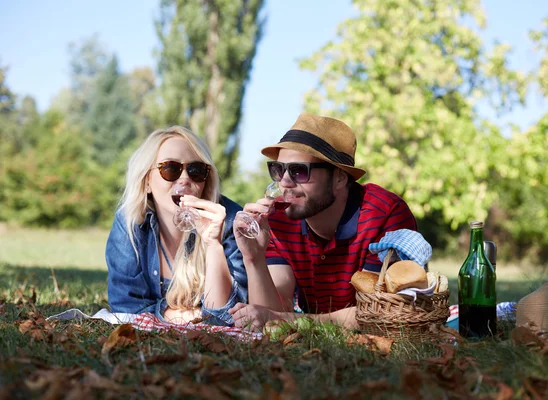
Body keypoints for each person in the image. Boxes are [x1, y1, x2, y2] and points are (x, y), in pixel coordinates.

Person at [230, 113, 417, 331]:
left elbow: (378, 312)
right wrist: (254, 258)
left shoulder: (385, 214)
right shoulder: (277, 220)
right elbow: (270, 317)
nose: (285, 182)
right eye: (278, 170)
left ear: (339, 178)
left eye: (299, 171)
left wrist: (288, 320)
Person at [106, 126, 247, 326]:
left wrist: (213, 245)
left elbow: (226, 317)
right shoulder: (129, 223)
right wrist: (189, 315)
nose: (185, 179)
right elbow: (126, 308)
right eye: (170, 169)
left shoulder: (229, 220)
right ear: (147, 181)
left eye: (196, 170)